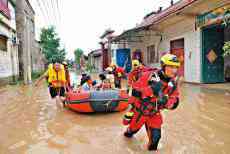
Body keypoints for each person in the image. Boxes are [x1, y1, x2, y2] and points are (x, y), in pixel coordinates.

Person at [123, 54, 180, 153]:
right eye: (171, 67)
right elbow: (132, 92)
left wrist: (167, 102)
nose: (174, 70)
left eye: (175, 67)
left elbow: (175, 99)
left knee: (155, 139)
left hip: (154, 113)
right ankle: (128, 132)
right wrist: (151, 90)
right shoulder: (148, 76)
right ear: (163, 66)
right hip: (140, 112)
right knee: (130, 133)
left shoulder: (173, 84)